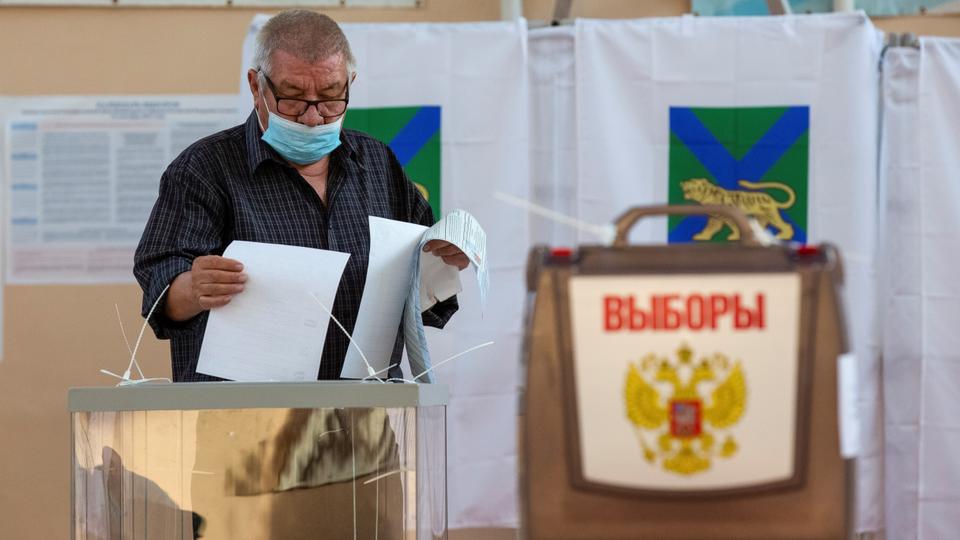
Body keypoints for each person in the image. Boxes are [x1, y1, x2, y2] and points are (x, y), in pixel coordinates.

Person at [134, 10, 467, 382]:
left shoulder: (378, 163)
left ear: (349, 83)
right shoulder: (205, 169)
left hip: (366, 413)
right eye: (292, 98)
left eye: (330, 98)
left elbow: (419, 293)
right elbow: (160, 292)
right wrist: (194, 287)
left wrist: (443, 264)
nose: (312, 118)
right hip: (243, 421)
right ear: (256, 86)